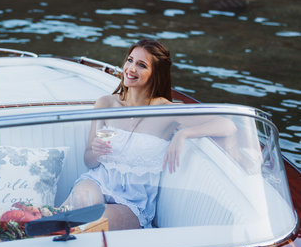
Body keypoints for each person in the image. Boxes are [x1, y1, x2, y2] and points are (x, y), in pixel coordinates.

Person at [64, 39, 236, 230]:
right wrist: (95, 152)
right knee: (77, 205)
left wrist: (184, 134)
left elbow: (227, 125)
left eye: (141, 65)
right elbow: (89, 161)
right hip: (98, 181)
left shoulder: (165, 111)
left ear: (156, 75)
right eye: (130, 60)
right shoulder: (106, 104)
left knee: (91, 221)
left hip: (133, 201)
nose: (130, 69)